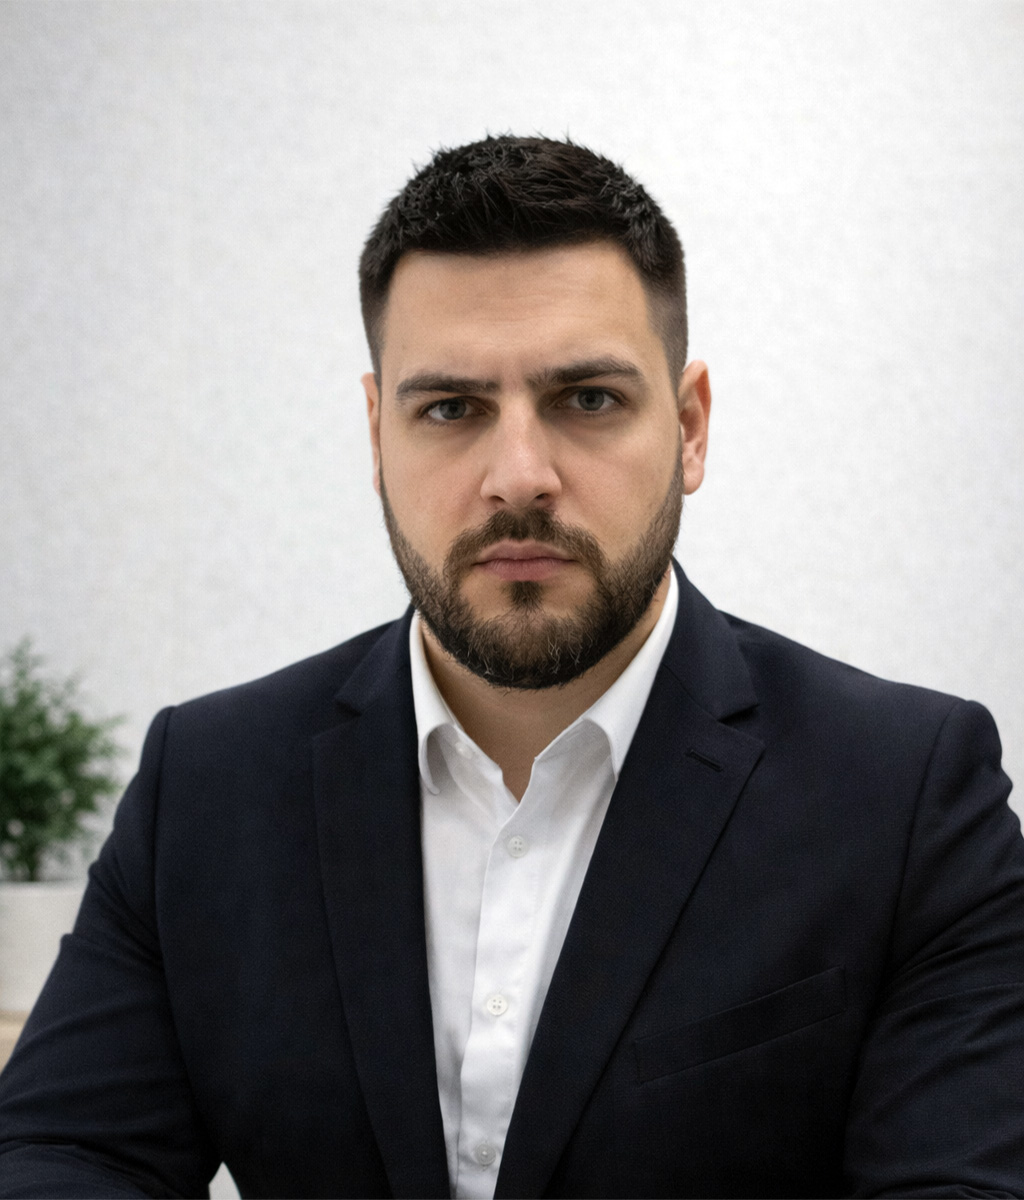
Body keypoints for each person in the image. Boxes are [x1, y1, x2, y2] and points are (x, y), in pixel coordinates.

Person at [1, 135, 1022, 1200]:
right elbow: (65, 1154)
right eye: (451, 409)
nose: (519, 477)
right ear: (376, 437)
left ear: (689, 428)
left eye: (588, 400)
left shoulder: (905, 794)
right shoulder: (207, 784)